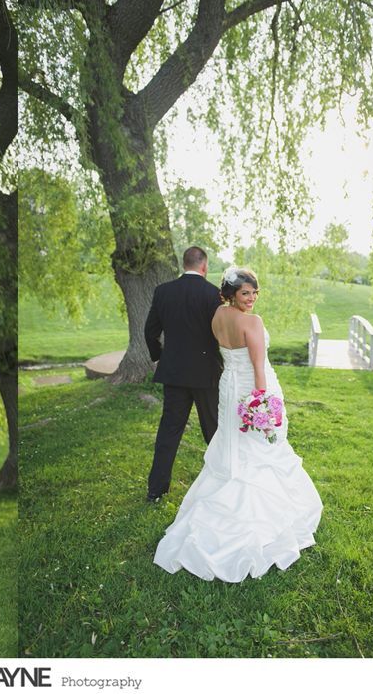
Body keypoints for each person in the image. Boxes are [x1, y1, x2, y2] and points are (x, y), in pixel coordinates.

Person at [153, 267, 323, 581]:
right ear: (232, 294)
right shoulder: (252, 322)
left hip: (228, 388)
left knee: (232, 444)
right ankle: (259, 517)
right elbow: (258, 366)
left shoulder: (218, 315)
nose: (252, 298)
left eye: (255, 293)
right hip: (252, 388)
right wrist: (261, 403)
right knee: (260, 449)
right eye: (245, 293)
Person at [143, 246, 223, 502]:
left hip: (174, 373)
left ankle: (156, 489)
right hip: (206, 374)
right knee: (213, 431)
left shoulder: (163, 291)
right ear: (204, 266)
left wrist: (161, 357)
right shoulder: (213, 294)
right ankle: (223, 484)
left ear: (183, 264)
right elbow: (221, 335)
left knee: (169, 431)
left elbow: (150, 332)